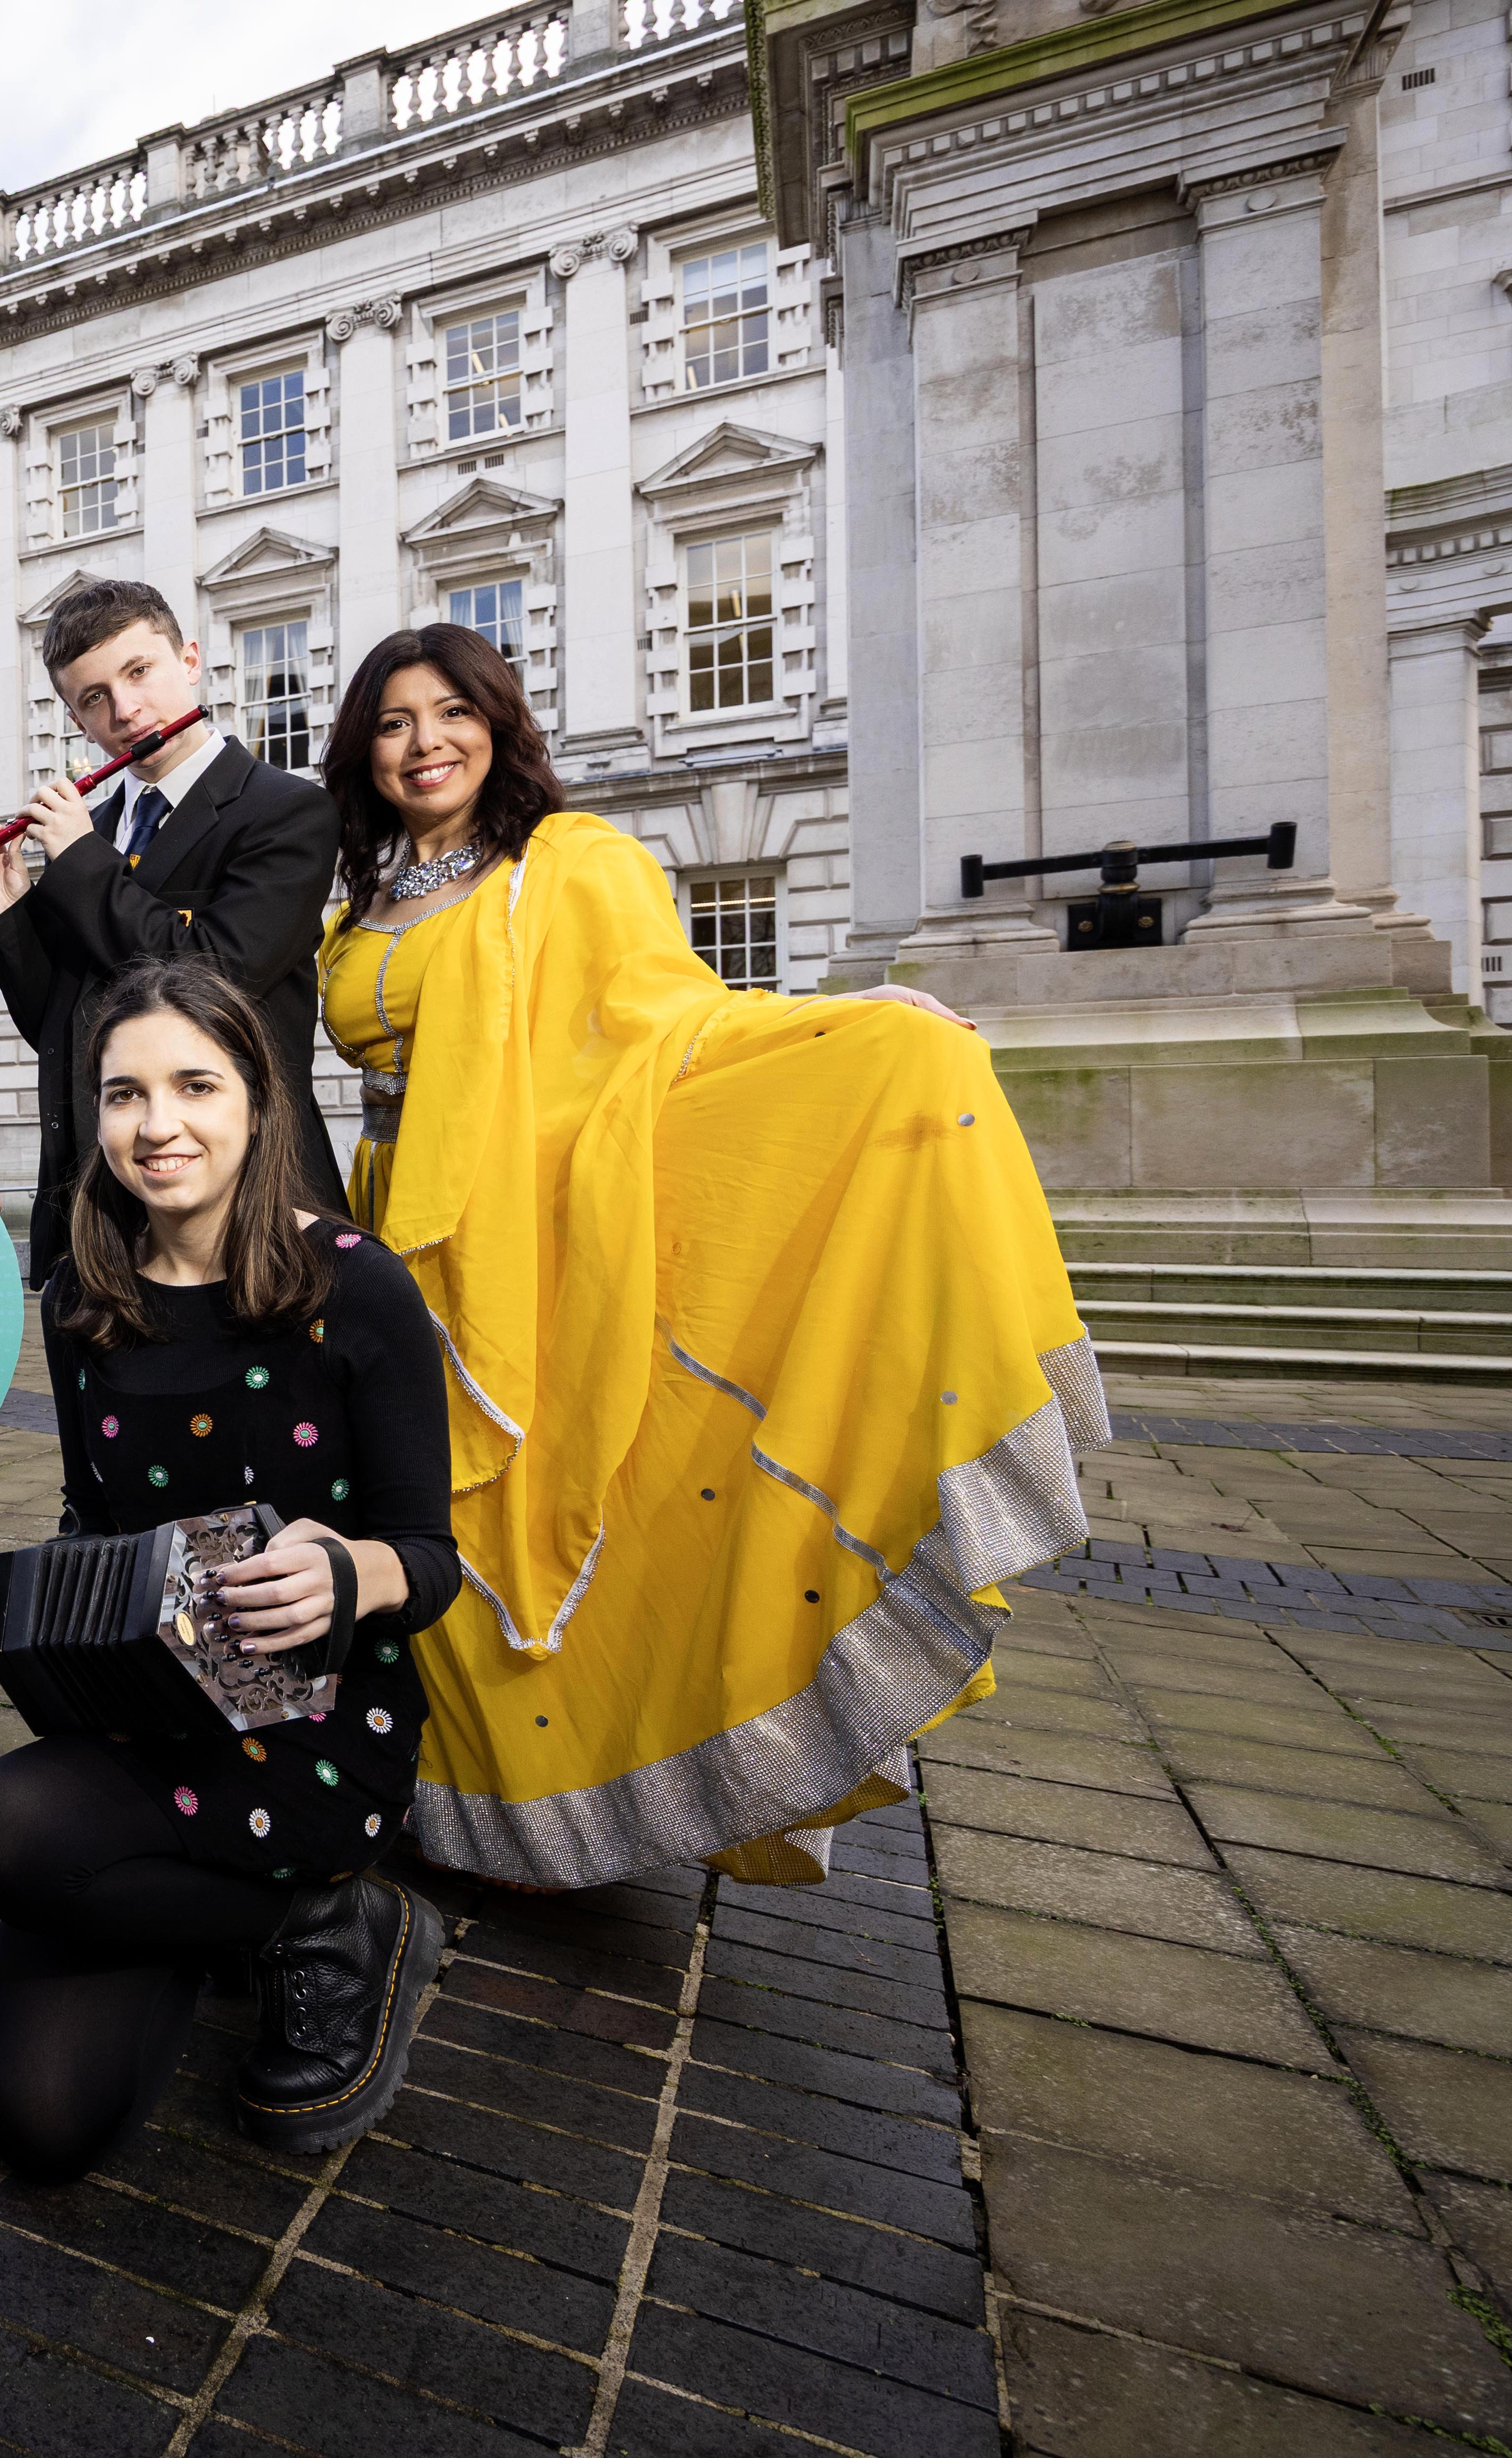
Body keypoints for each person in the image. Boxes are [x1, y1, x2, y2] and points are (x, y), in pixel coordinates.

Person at [314, 625, 1100, 1890]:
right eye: (395, 721)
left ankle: (580, 1800)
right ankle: (461, 1800)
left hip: (535, 1228)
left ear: (496, 724)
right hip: (394, 1229)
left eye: (450, 712)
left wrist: (854, 1021)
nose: (423, 742)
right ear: (364, 746)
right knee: (419, 1496)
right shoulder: (360, 901)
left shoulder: (568, 862)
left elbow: (670, 1015)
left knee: (552, 1493)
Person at [0, 957, 459, 2178]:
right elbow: (93, 1516)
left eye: (192, 1085)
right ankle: (258, 1913)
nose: (156, 1125)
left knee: (2, 1830)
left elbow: (431, 1557)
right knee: (42, 2123)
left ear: (255, 1101)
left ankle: (340, 1909)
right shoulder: (80, 1297)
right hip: (151, 1720)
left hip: (318, 1726)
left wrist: (350, 1574)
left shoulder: (356, 1285)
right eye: (122, 1094)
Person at [0, 579, 343, 1284]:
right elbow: (61, 1022)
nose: (126, 711)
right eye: (94, 697)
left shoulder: (287, 811)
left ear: (189, 660)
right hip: (99, 1213)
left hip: (245, 1211)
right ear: (77, 720)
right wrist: (9, 910)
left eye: (139, 673)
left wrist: (77, 861)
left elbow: (215, 975)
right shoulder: (94, 833)